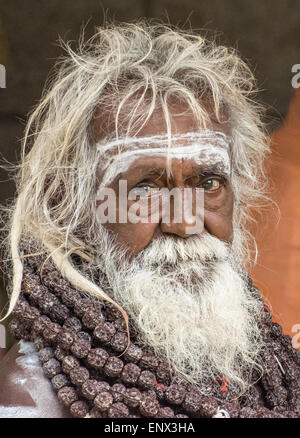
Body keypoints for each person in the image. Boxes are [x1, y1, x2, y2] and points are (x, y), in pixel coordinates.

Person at [0, 21, 299, 419]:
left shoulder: (274, 374)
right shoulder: (28, 401)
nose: (187, 222)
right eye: (144, 190)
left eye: (209, 182)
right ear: (67, 208)